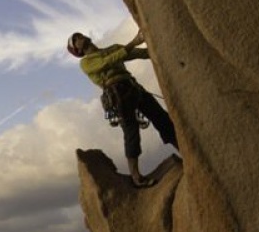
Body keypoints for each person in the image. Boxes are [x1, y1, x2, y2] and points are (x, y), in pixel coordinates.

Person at [66, 29, 177, 187]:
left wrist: (160, 49)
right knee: (131, 131)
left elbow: (139, 53)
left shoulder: (112, 49)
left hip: (133, 88)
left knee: (162, 119)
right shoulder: (86, 63)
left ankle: (185, 151)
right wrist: (133, 42)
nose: (80, 37)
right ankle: (136, 177)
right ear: (77, 50)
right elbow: (107, 62)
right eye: (76, 39)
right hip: (117, 94)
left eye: (79, 35)